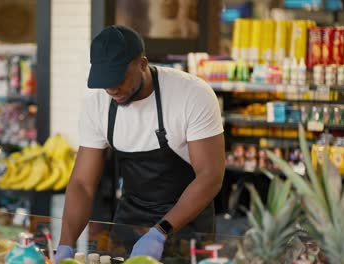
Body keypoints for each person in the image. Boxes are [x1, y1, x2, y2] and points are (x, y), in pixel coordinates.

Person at [55, 25, 225, 261]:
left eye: (118, 78)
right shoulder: (97, 106)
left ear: (143, 64)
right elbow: (83, 184)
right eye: (104, 81)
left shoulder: (191, 94)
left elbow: (210, 176)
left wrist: (159, 233)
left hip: (188, 223)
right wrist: (65, 245)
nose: (111, 89)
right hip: (130, 220)